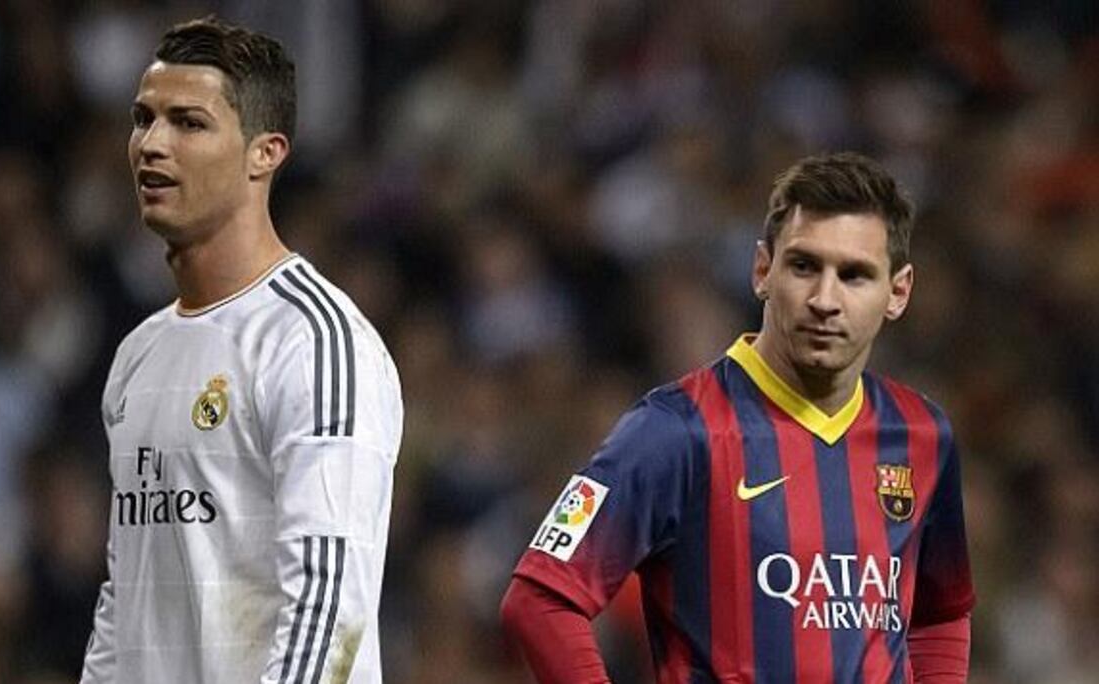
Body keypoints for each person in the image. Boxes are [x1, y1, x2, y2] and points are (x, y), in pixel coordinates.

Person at [501, 152, 974, 683]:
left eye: (854, 275)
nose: (825, 299)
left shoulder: (921, 434)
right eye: (804, 266)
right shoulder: (674, 430)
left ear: (898, 292)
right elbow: (540, 598)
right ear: (762, 271)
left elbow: (939, 614)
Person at [80, 17, 402, 684]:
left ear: (266, 153)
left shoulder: (314, 343)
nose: (152, 144)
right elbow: (125, 603)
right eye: (143, 119)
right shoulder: (137, 356)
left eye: (189, 123)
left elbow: (327, 608)